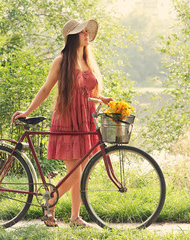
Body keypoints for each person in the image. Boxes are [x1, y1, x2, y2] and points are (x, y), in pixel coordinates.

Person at [12, 19, 114, 228]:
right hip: (68, 118)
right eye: (83, 32)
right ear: (73, 37)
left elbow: (87, 93)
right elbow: (46, 89)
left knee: (81, 172)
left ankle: (75, 218)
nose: (87, 35)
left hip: (86, 119)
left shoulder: (86, 60)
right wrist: (28, 111)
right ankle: (50, 201)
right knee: (75, 172)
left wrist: (102, 99)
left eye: (87, 32)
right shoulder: (61, 61)